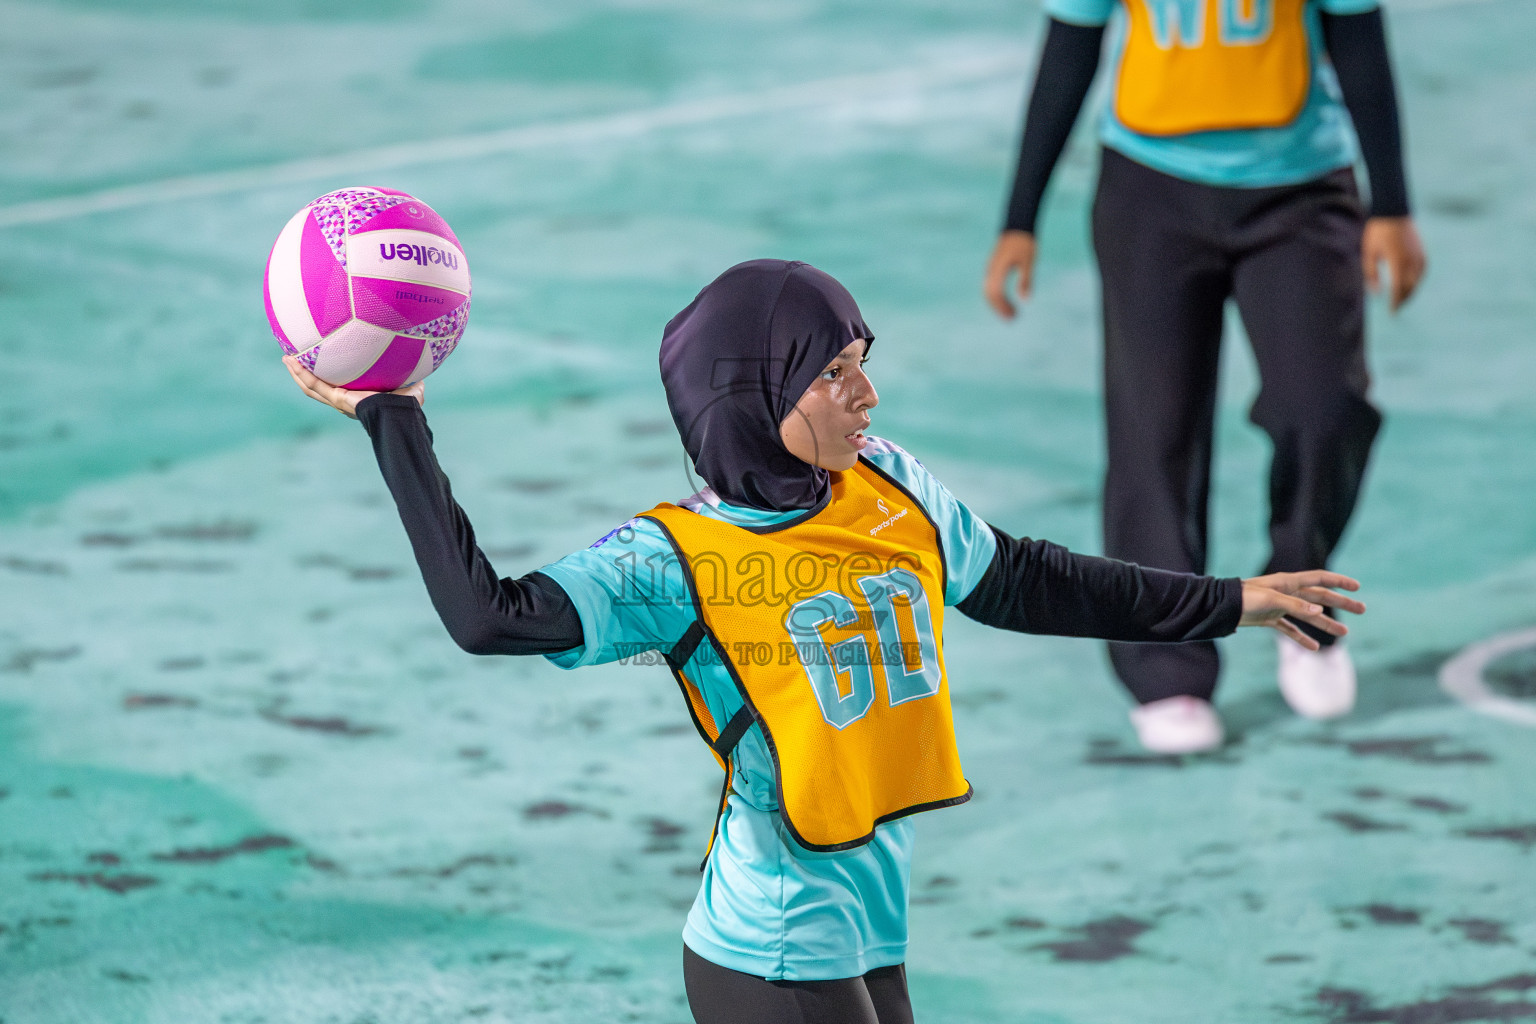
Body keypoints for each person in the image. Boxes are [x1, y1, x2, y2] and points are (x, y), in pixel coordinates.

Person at [284, 259, 1363, 1024]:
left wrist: (1231, 600)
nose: (867, 393)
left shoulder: (883, 479)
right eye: (834, 370)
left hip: (869, 920)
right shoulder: (672, 559)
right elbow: (489, 616)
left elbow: (1020, 577)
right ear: (751, 390)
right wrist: (396, 420)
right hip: (772, 944)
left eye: (860, 361)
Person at [983, 0, 1425, 754]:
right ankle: (1168, 670)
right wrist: (1019, 218)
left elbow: (1358, 34)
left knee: (1326, 407)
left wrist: (1393, 207)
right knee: (1153, 433)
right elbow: (1070, 47)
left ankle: (1300, 601)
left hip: (1302, 191)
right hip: (1149, 194)